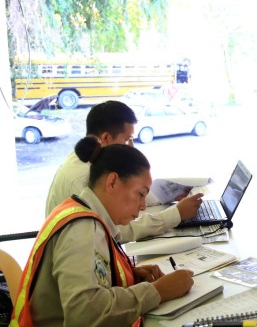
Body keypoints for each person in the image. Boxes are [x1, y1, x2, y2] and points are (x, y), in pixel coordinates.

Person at [7, 137, 194, 327]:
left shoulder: (79, 210)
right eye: (141, 193)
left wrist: (128, 277)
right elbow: (83, 311)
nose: (144, 205)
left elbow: (89, 276)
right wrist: (156, 291)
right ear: (113, 182)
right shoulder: (81, 229)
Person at [45, 100, 203, 242]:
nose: (130, 146)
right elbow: (118, 232)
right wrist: (176, 215)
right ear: (106, 138)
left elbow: (123, 196)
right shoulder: (83, 176)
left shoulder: (96, 163)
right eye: (126, 139)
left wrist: (170, 194)